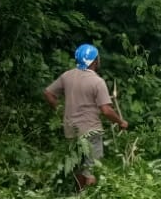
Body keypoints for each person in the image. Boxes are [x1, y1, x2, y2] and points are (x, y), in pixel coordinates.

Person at [44, 44, 128, 191]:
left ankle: (79, 197)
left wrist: (60, 110)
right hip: (91, 130)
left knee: (78, 165)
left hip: (71, 129)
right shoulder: (97, 81)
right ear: (94, 61)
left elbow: (48, 93)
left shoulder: (67, 76)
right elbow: (106, 110)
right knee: (91, 168)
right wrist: (120, 122)